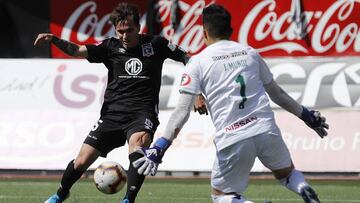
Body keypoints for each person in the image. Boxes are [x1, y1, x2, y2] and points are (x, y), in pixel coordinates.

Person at [133, 4, 329, 203]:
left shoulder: (198, 63)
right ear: (231, 30)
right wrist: (307, 116)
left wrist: (160, 146)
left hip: (233, 136)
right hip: (265, 129)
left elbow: (182, 111)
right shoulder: (250, 53)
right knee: (287, 174)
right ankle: (304, 188)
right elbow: (277, 94)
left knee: (222, 197)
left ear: (204, 32)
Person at [34, 3, 206, 203]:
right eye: (120, 32)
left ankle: (128, 200)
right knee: (81, 161)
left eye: (129, 30)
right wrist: (54, 39)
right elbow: (76, 50)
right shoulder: (109, 47)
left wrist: (196, 92)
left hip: (142, 113)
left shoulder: (157, 44)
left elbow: (187, 58)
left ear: (138, 28)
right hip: (111, 115)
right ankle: (60, 195)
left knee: (138, 147)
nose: (124, 36)